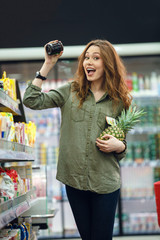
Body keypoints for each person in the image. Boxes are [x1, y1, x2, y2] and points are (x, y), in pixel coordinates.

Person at [23, 39, 132, 240]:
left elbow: (122, 147)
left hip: (105, 181)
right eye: (86, 57)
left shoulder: (120, 101)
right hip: (74, 180)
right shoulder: (71, 90)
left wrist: (119, 146)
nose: (88, 62)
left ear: (107, 64)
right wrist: (48, 64)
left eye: (96, 58)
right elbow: (31, 100)